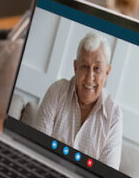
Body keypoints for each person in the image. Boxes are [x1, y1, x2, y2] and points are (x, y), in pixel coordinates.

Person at [25, 32, 123, 168]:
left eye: (97, 69)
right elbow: (37, 149)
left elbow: (107, 175)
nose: (89, 78)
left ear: (107, 72)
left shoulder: (114, 116)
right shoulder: (57, 91)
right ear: (75, 67)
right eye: (84, 66)